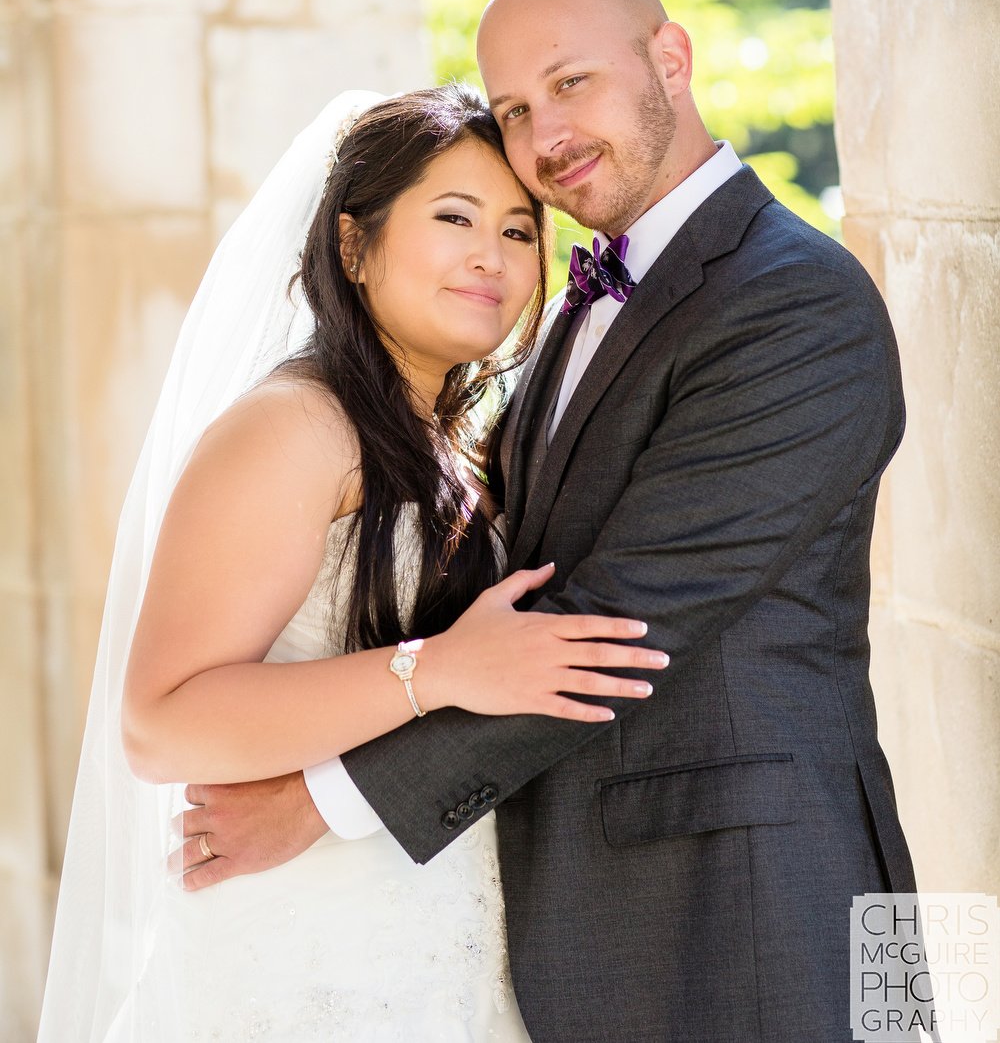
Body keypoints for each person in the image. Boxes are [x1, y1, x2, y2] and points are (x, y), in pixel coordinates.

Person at [190, 0, 918, 1043]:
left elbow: (614, 626)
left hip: (761, 897)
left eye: (571, 82)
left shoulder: (793, 299)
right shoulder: (586, 301)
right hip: (602, 902)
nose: (545, 138)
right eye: (517, 108)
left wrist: (317, 803)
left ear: (669, 58)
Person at [37, 82, 670, 1043]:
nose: (490, 258)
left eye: (515, 230)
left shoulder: (453, 444)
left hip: (438, 929)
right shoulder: (294, 428)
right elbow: (161, 725)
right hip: (307, 954)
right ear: (353, 246)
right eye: (453, 217)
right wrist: (441, 668)